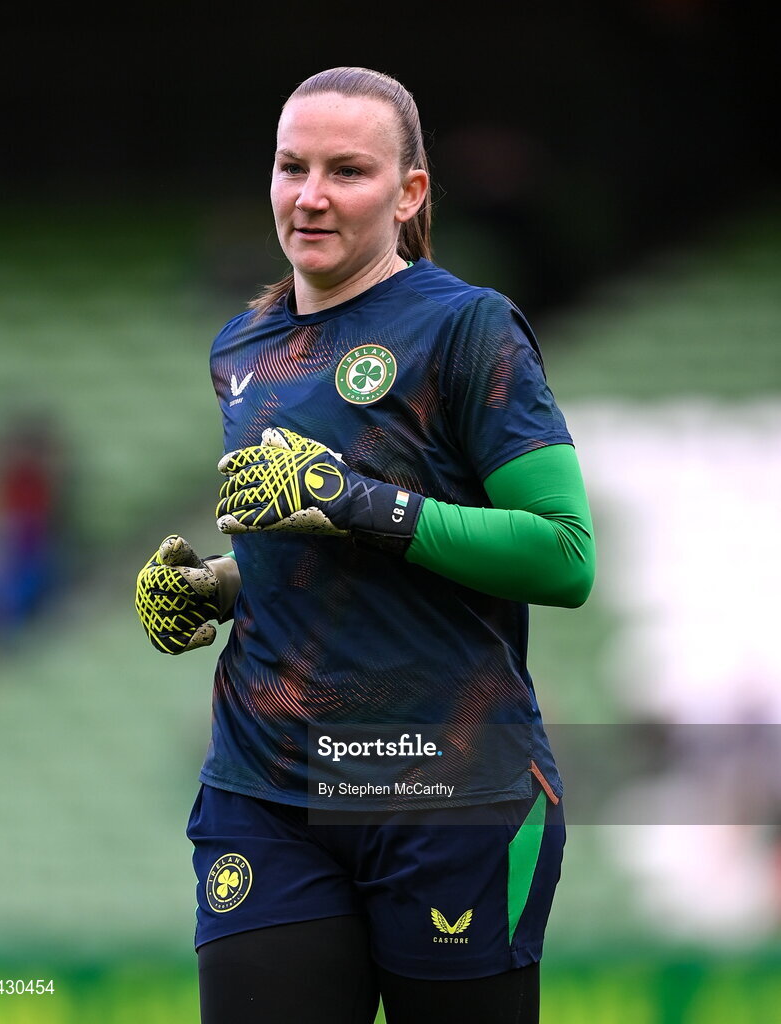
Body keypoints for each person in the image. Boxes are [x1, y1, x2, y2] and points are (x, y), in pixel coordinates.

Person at [135, 66, 595, 1024]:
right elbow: (310, 545)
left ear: (410, 192)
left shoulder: (469, 327)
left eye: (346, 170)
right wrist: (219, 588)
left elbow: (564, 556)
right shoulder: (242, 345)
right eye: (290, 166)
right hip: (267, 791)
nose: (309, 196)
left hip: (447, 787)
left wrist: (357, 501)